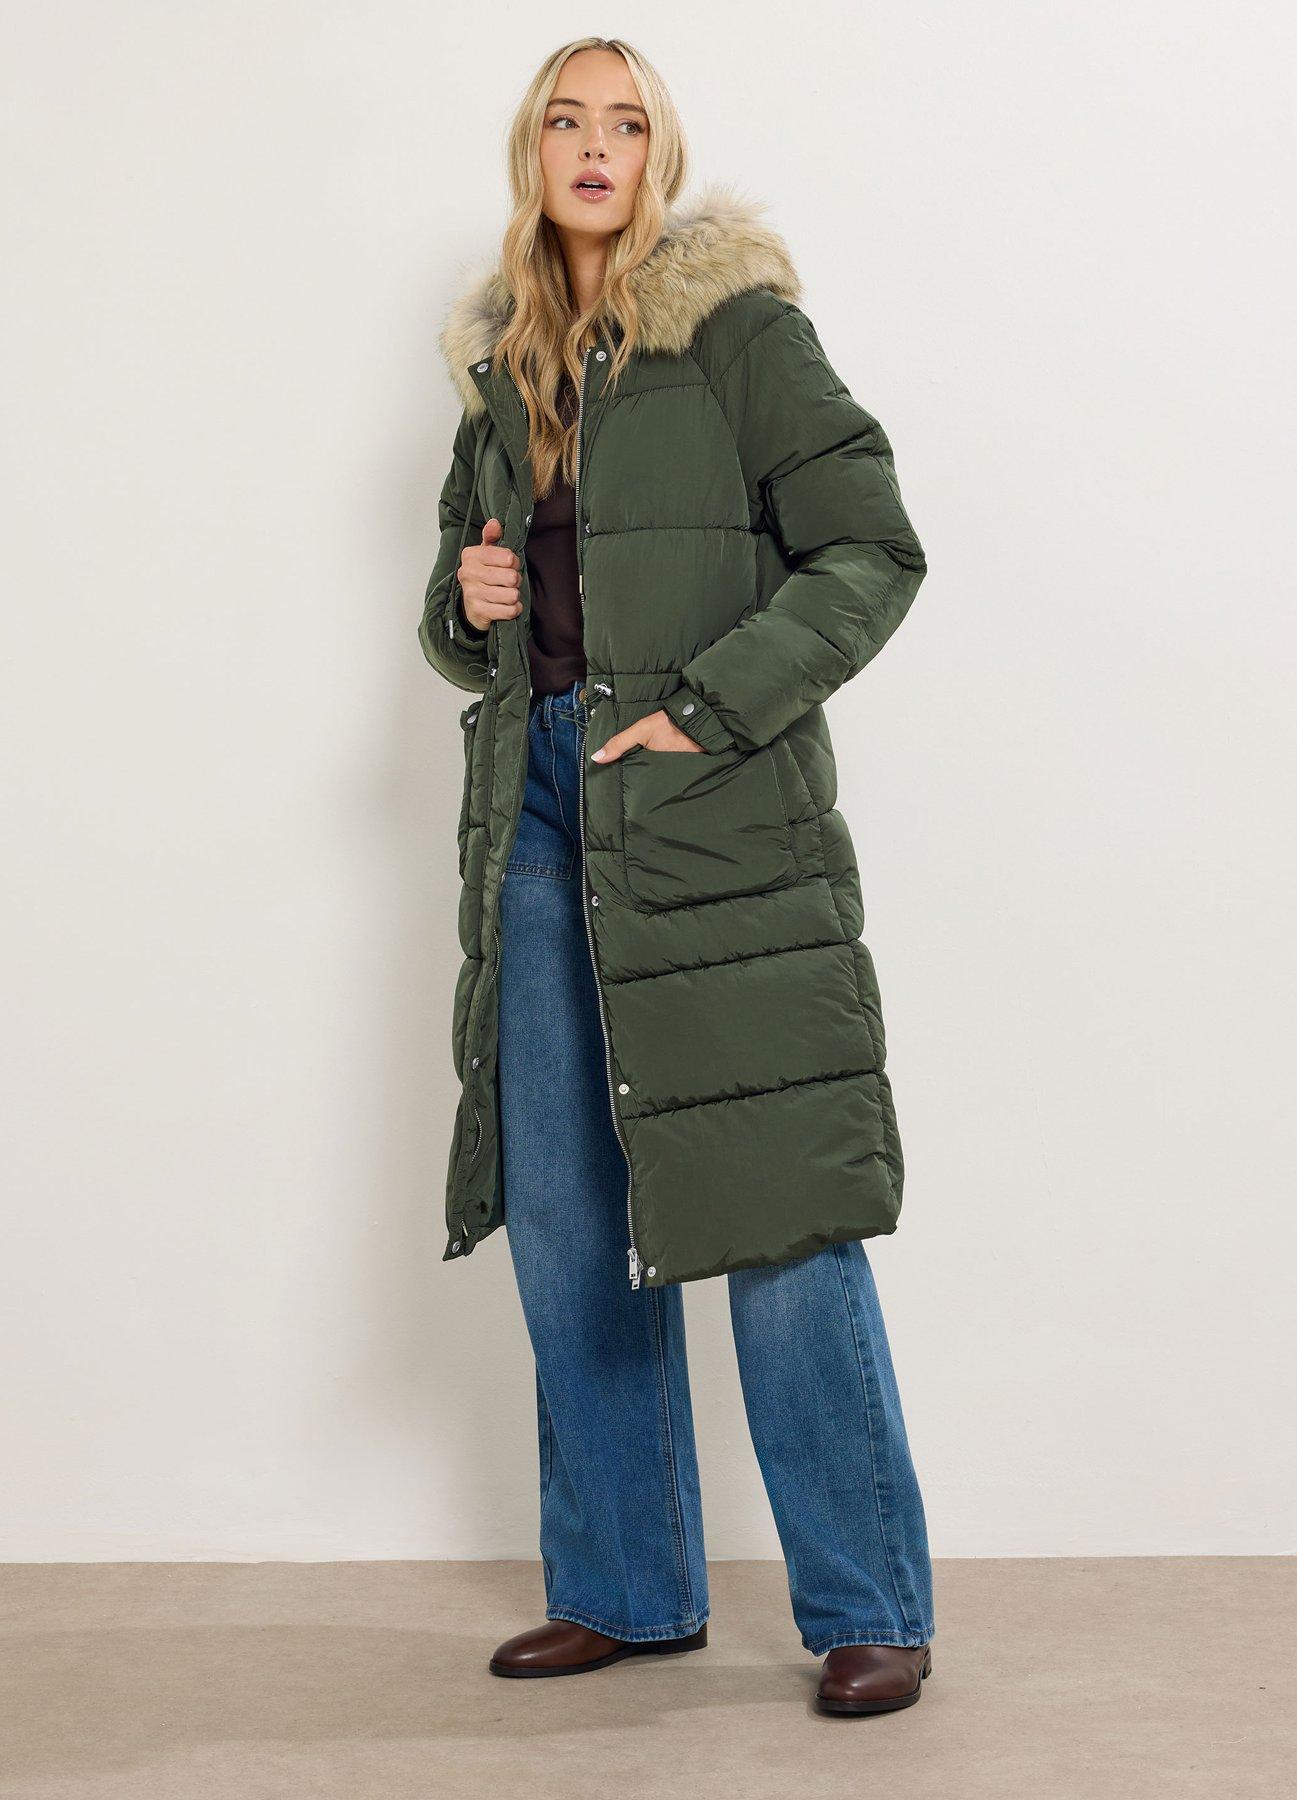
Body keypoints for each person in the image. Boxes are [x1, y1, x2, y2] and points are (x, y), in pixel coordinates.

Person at [420, 36, 934, 1717]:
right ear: (532, 151)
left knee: (773, 1195)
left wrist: (707, 710)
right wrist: (468, 603)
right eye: (566, 120)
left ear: (660, 153)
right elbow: (459, 615)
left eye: (625, 122)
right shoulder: (501, 364)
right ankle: (626, 1593)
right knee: (570, 1214)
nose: (595, 146)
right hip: (536, 807)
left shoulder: (735, 330)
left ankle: (867, 1604)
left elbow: (869, 548)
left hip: (709, 802)